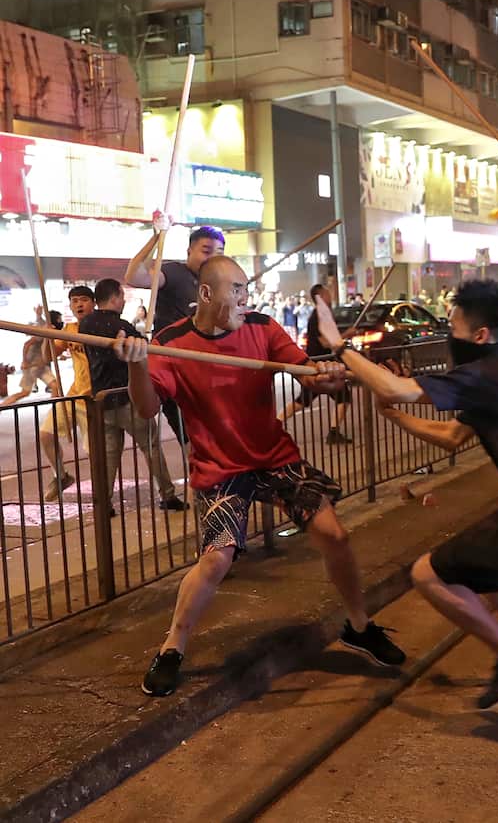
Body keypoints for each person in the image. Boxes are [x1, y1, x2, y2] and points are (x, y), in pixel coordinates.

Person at [112, 256, 403, 696]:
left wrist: (325, 375)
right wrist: (136, 363)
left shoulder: (262, 328)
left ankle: (359, 626)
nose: (245, 300)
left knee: (335, 535)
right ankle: (172, 646)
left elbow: (305, 375)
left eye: (246, 290)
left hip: (273, 455)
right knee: (216, 558)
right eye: (237, 290)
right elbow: (147, 408)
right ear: (207, 294)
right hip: (220, 466)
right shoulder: (171, 342)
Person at [312, 279, 498, 709]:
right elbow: (450, 435)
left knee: (427, 573)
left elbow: (397, 388)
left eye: (453, 326)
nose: (449, 333)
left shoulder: (487, 374)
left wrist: (339, 347)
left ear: (480, 335)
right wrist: (395, 415)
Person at [78, 279, 186, 516]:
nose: (124, 300)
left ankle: (103, 504)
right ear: (116, 297)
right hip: (129, 399)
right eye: (122, 295)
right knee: (151, 447)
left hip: (102, 400)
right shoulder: (123, 326)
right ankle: (167, 495)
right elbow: (144, 351)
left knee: (108, 456)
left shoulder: (85, 324)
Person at [125, 225, 226, 440]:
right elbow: (135, 276)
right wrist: (156, 236)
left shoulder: (218, 283)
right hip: (176, 372)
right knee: (193, 441)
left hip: (209, 371)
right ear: (189, 251)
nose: (212, 259)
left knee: (219, 438)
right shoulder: (174, 273)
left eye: (219, 253)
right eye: (206, 251)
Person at [38, 286, 96, 500]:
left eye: (83, 300)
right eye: (74, 301)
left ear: (94, 303)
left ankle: (103, 496)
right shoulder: (69, 330)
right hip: (74, 395)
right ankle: (61, 475)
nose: (79, 304)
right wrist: (47, 335)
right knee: (46, 434)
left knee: (94, 453)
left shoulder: (101, 326)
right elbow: (47, 357)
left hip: (94, 399)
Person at [279, 284, 353, 445]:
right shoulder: (318, 316)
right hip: (319, 364)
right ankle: (274, 425)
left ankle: (333, 431)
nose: (330, 296)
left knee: (339, 397)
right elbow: (325, 342)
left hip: (322, 363)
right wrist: (346, 335)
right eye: (327, 293)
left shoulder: (323, 315)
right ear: (320, 296)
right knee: (306, 400)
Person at [0, 308, 60, 407]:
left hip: (41, 366)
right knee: (25, 392)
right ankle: (2, 406)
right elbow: (27, 344)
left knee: (55, 387)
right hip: (32, 366)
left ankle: (54, 411)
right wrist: (25, 362)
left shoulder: (48, 329)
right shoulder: (45, 330)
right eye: (58, 320)